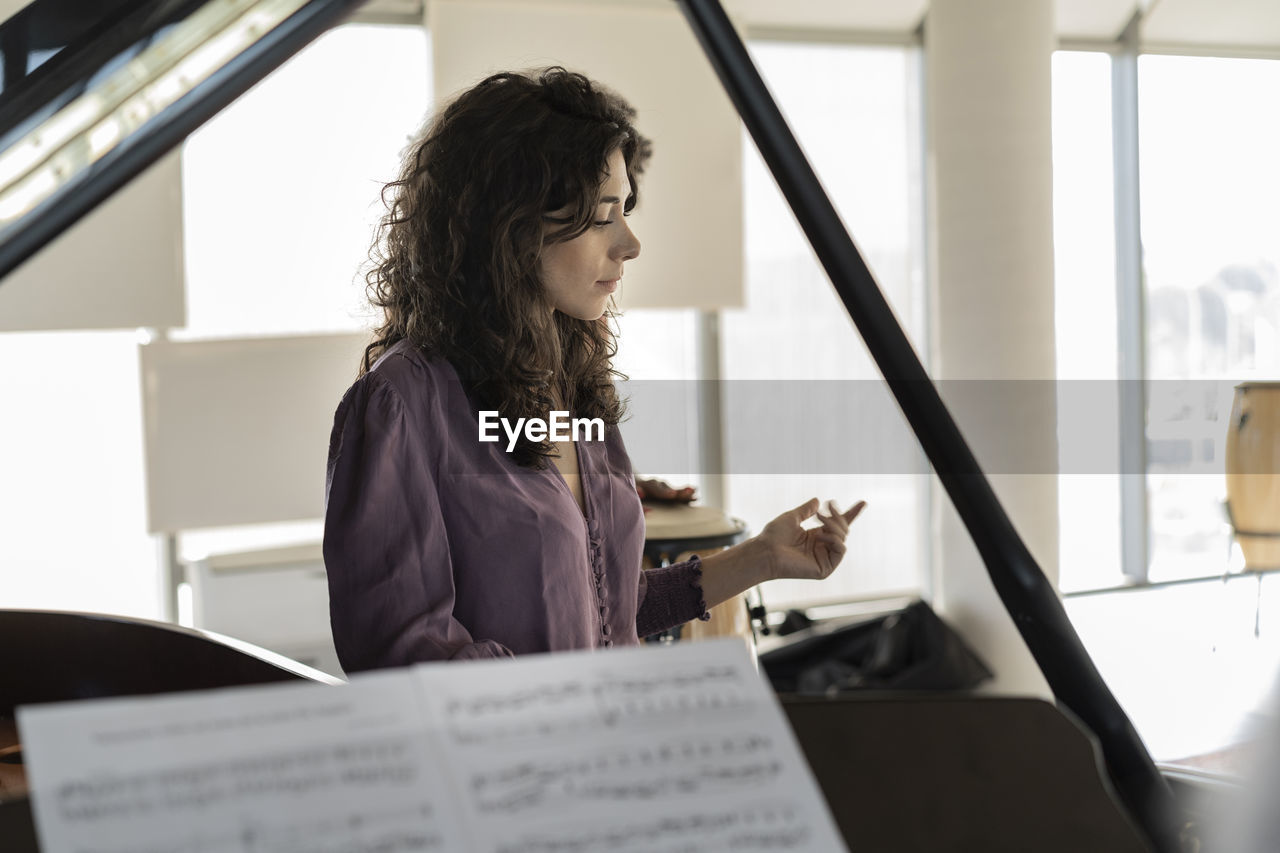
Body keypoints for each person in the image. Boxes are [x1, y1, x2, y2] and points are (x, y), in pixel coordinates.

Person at [323, 67, 865, 672]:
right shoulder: (401, 404)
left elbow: (605, 609)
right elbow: (401, 656)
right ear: (514, 225)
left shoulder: (571, 384)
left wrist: (762, 556)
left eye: (624, 209)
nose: (630, 243)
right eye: (604, 213)